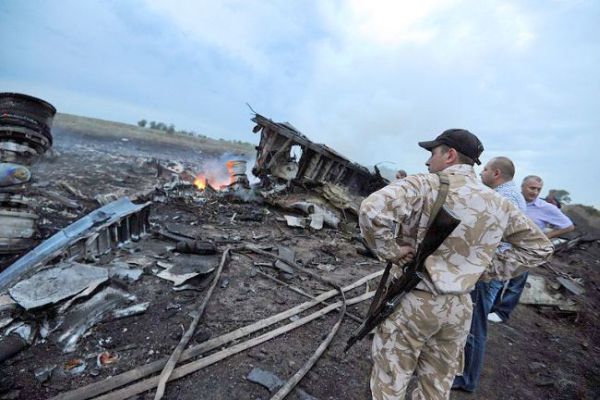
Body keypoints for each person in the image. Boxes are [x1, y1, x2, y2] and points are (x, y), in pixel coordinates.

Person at [359, 129, 553, 400]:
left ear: (449, 155)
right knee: (436, 388)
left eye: (432, 153)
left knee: (390, 382)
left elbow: (371, 209)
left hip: (416, 298)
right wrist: (483, 270)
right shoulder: (500, 204)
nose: (428, 162)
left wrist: (390, 250)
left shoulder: (426, 184)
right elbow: (540, 248)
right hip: (460, 308)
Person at [452, 156, 526, 392]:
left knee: (475, 326)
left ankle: (467, 380)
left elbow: (488, 234)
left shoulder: (505, 197)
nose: (481, 173)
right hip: (493, 268)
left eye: (484, 169)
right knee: (472, 322)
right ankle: (462, 372)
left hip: (488, 270)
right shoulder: (511, 195)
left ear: (496, 173)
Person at [487, 175, 575, 323]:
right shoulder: (511, 200)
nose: (535, 192)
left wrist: (546, 236)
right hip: (503, 247)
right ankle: (488, 309)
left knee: (516, 283)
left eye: (538, 190)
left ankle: (502, 313)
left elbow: (568, 226)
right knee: (496, 279)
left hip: (526, 251)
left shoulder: (546, 208)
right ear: (522, 186)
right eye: (532, 188)